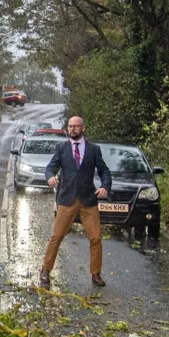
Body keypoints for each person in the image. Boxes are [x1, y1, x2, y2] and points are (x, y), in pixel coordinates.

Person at [40, 116, 111, 287]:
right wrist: (50, 177)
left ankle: (96, 274)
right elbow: (51, 167)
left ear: (83, 128)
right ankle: (45, 271)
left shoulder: (94, 149)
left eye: (76, 127)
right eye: (70, 126)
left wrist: (105, 186)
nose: (72, 129)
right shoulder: (62, 148)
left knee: (95, 238)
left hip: (88, 199)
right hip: (67, 199)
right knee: (57, 236)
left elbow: (104, 171)